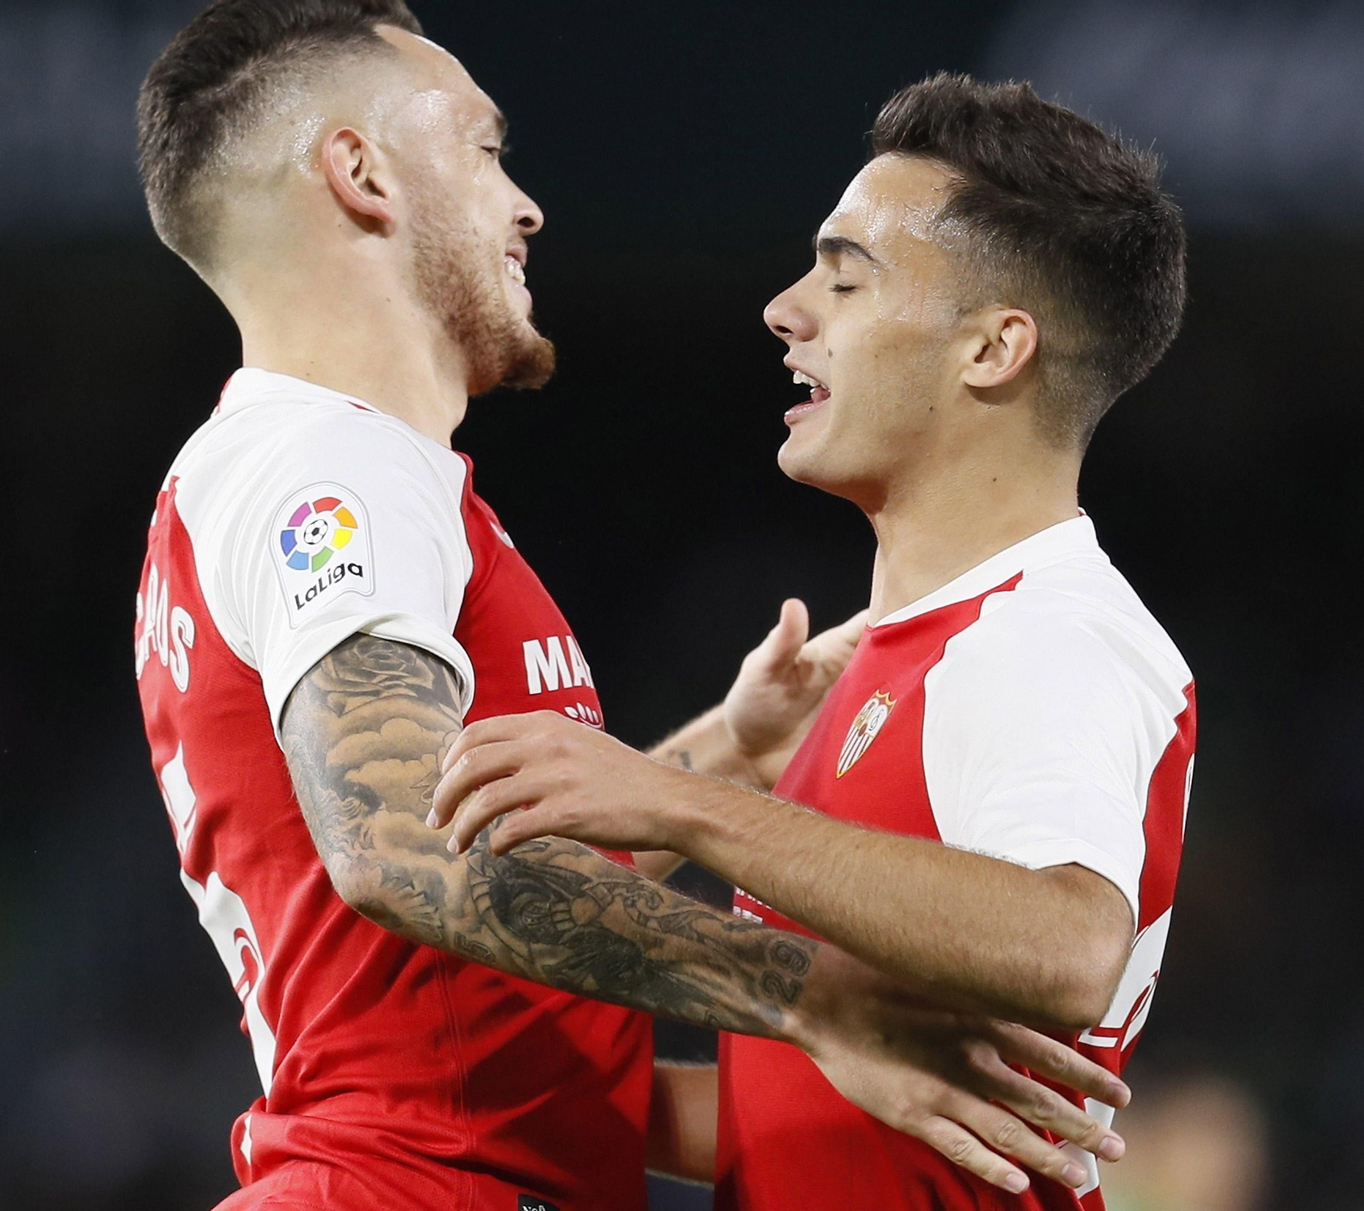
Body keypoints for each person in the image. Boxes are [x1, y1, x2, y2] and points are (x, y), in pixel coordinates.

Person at [132, 5, 1129, 1210]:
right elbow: (397, 847)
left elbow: (469, 854)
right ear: (361, 173)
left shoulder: (294, 472)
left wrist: (726, 748)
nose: (525, 205)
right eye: (485, 150)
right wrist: (812, 997)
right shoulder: (328, 471)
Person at [431, 72, 1195, 1210]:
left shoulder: (1045, 632)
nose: (786, 309)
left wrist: (685, 805)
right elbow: (810, 1110)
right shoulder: (888, 656)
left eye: (844, 276)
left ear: (992, 350)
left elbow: (1067, 940)